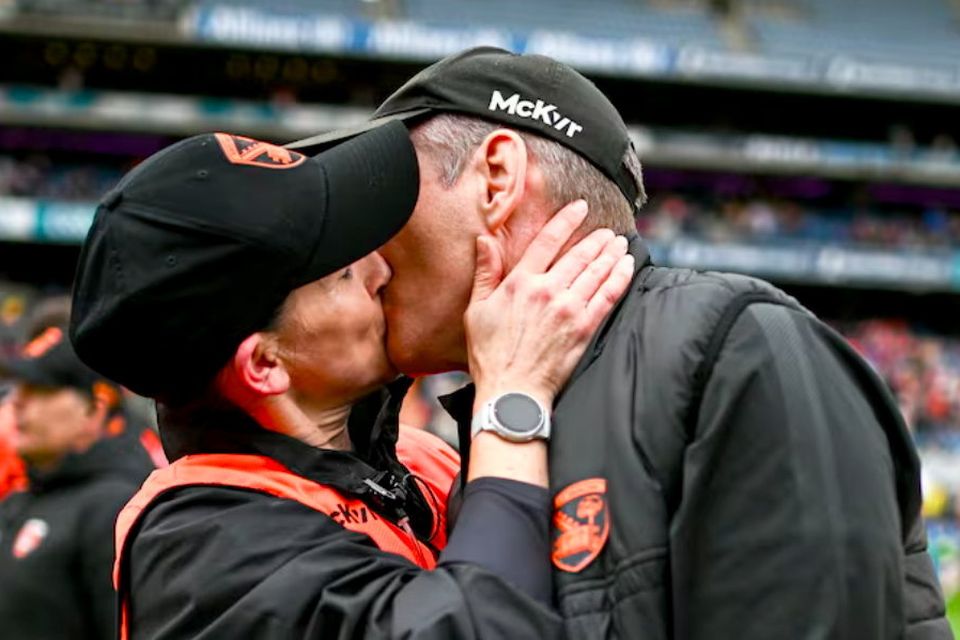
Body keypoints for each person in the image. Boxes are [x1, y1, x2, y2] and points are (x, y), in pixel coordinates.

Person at [290, 47, 951, 639]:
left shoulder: (736, 347)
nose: (365, 245)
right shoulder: (511, 415)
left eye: (384, 194)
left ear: (497, 178)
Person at [69, 122, 633, 638]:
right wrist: (512, 397)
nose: (382, 266)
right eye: (343, 271)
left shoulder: (413, 457)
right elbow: (477, 629)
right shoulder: (205, 548)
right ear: (264, 365)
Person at [0, 325, 149, 639]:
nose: (18, 401)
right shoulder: (25, 495)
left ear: (95, 409)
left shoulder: (115, 507)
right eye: (20, 386)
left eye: (41, 389)